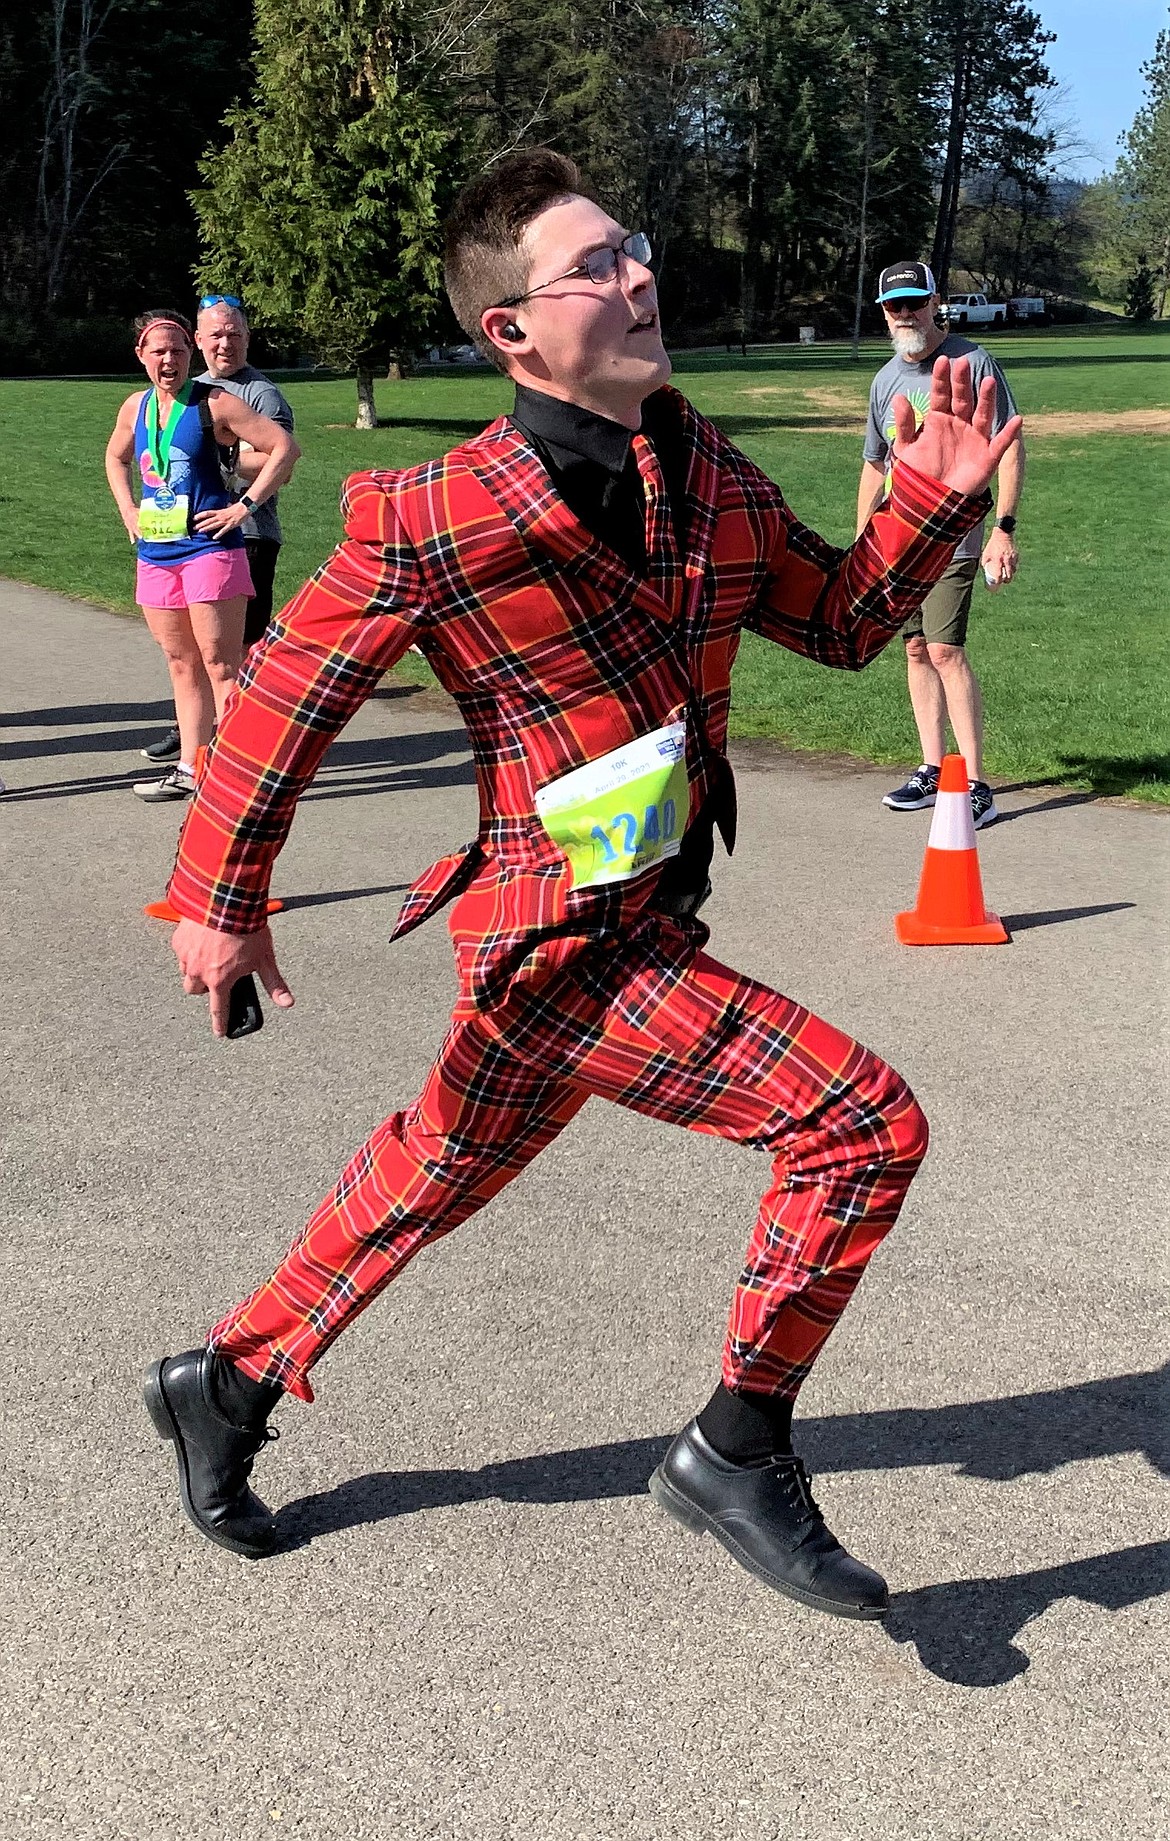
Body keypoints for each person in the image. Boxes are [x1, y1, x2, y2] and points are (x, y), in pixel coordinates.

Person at [146, 152, 1020, 1618]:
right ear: (510, 331)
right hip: (553, 943)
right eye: (594, 266)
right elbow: (285, 700)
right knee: (859, 1127)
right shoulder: (427, 515)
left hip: (649, 911)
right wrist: (218, 900)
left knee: (437, 1168)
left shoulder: (704, 468)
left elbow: (846, 619)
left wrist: (928, 501)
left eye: (635, 250)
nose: (635, 278)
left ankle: (222, 1382)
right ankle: (734, 1447)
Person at [856, 262, 1025, 830]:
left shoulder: (972, 361)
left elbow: (1008, 445)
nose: (907, 314)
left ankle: (977, 784)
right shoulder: (884, 381)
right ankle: (931, 769)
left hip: (953, 536)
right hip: (900, 540)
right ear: (883, 312)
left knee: (947, 649)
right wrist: (864, 541)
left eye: (916, 302)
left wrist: (1004, 527)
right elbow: (874, 466)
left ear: (934, 303)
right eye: (895, 305)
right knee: (914, 650)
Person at [105, 310, 300, 799]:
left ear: (191, 354)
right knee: (180, 661)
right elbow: (115, 457)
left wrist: (244, 506)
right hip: (155, 550)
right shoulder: (136, 407)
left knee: (220, 663)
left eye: (178, 351)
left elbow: (284, 448)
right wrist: (128, 510)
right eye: (159, 352)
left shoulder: (215, 402)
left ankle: (237, 772)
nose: (169, 360)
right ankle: (192, 767)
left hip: (210, 551)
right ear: (141, 357)